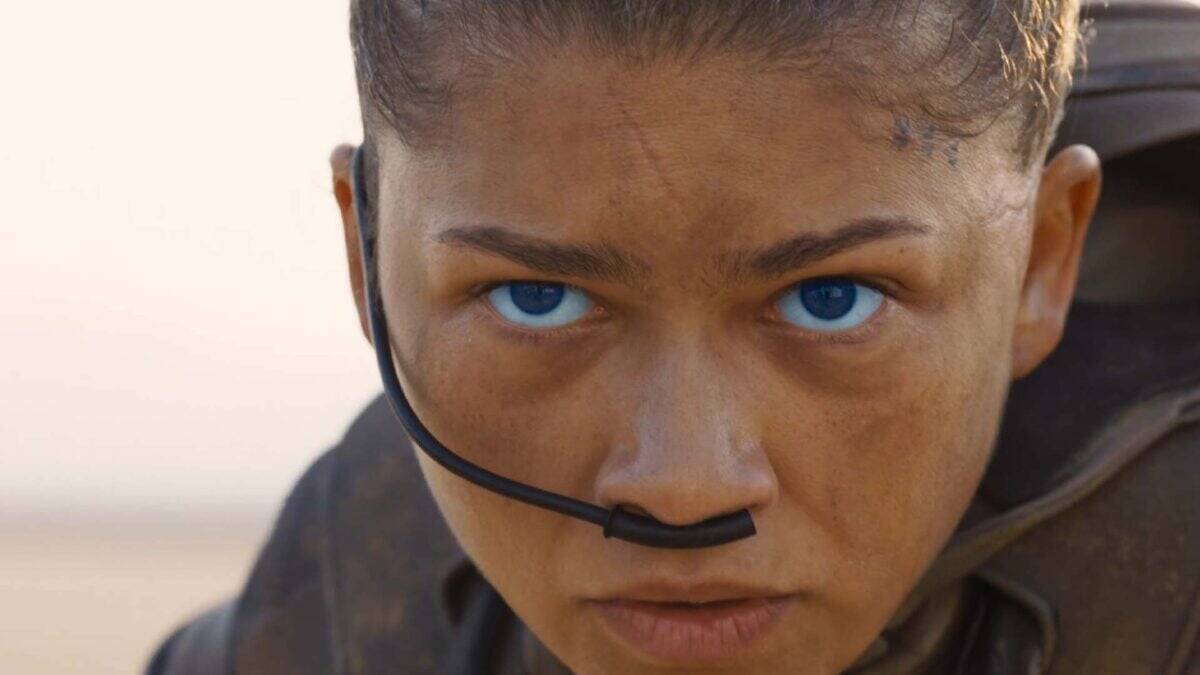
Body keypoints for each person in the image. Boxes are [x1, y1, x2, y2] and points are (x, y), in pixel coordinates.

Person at [148, 0, 1200, 672]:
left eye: (832, 298)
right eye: (538, 300)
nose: (684, 489)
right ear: (367, 257)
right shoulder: (356, 585)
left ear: (1043, 260)